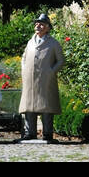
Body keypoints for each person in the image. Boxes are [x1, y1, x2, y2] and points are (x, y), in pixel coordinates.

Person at [19, 12, 64, 143]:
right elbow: (24, 57)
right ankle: (30, 132)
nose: (38, 25)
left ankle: (47, 133)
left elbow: (61, 61)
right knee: (29, 105)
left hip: (46, 79)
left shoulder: (54, 43)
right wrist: (24, 69)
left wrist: (52, 71)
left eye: (41, 24)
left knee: (46, 106)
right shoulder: (30, 42)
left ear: (48, 27)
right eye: (37, 23)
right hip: (30, 80)